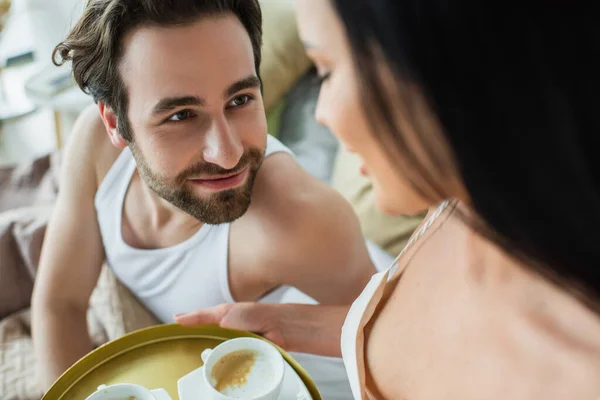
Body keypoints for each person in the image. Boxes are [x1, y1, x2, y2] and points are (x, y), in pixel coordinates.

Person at [178, 1, 600, 399]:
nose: (321, 113)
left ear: (430, 66)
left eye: (326, 70)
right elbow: (431, 337)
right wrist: (281, 326)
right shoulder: (468, 211)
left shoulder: (570, 373)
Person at [31, 1, 379, 397]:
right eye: (181, 115)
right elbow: (61, 304)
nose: (228, 155)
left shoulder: (296, 216)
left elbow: (402, 339)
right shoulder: (94, 145)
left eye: (240, 100)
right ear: (115, 122)